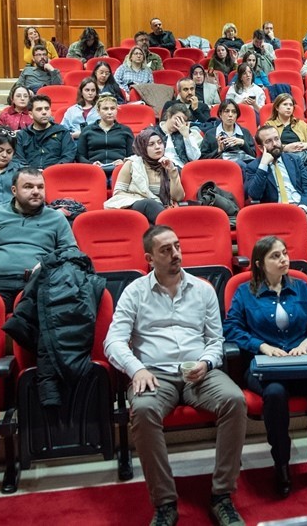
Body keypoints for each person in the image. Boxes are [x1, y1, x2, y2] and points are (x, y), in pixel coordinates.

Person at [105, 225, 247, 526]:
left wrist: (207, 363)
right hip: (155, 374)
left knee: (234, 399)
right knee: (142, 410)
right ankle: (165, 502)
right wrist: (137, 369)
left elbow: (215, 340)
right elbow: (113, 341)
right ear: (149, 258)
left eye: (177, 246)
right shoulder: (135, 292)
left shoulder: (203, 289)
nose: (175, 254)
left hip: (199, 372)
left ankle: (222, 495)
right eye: (165, 250)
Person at [223, 236, 307, 498]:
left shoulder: (301, 287)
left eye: (284, 253)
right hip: (264, 366)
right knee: (274, 393)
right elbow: (231, 328)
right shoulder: (245, 293)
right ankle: (281, 464)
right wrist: (262, 346)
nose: (284, 259)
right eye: (276, 256)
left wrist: (306, 344)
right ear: (260, 264)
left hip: (300, 362)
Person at [0, 167, 77, 310]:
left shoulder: (56, 218)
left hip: (38, 282)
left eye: (40, 187)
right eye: (28, 187)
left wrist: (48, 262)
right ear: (14, 190)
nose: (35, 191)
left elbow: (70, 252)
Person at [244, 125, 307, 231]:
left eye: (276, 139)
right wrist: (263, 165)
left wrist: (302, 208)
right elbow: (254, 195)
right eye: (268, 141)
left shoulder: (294, 160)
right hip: (275, 214)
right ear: (260, 147)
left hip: (301, 210)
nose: (275, 144)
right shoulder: (254, 167)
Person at [106, 129, 184, 223]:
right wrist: (144, 199)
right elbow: (118, 193)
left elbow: (178, 198)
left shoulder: (169, 165)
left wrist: (172, 172)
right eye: (151, 144)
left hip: (161, 210)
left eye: (160, 143)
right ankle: (174, 227)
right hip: (136, 207)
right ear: (142, 147)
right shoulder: (132, 164)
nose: (158, 147)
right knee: (149, 204)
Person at [76, 94, 134, 182]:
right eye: (105, 109)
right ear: (98, 111)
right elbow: (79, 155)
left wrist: (124, 162)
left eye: (113, 108)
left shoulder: (125, 130)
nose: (110, 112)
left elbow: (132, 155)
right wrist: (91, 164)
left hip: (120, 170)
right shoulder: (87, 130)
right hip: (94, 170)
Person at [15, 94, 77, 169]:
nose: (44, 112)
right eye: (39, 109)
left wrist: (51, 171)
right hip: (29, 177)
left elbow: (68, 157)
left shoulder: (62, 132)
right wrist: (32, 173)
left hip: (55, 175)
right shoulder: (22, 135)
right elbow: (19, 160)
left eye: (47, 109)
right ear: (31, 114)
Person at [265, 94, 307, 164]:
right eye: (285, 104)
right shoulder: (269, 125)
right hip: (283, 155)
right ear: (277, 107)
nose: (288, 107)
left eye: (291, 105)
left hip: (303, 152)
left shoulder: (302, 124)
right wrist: (285, 148)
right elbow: (268, 146)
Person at [158, 103, 202, 169]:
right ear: (169, 115)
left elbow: (195, 158)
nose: (179, 123)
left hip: (181, 169)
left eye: (183, 121)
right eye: (177, 118)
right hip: (160, 169)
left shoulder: (186, 133)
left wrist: (186, 136)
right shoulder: (154, 132)